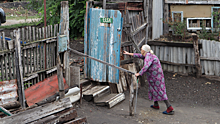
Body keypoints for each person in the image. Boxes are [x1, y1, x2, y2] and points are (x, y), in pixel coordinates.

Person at [123, 44, 174, 115]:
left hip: (156, 76)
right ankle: (156, 105)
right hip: (154, 76)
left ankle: (169, 107)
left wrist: (139, 73)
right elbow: (139, 55)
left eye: (141, 49)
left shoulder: (148, 57)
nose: (140, 50)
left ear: (144, 50)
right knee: (153, 89)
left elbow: (146, 66)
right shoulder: (148, 54)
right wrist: (128, 53)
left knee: (160, 90)